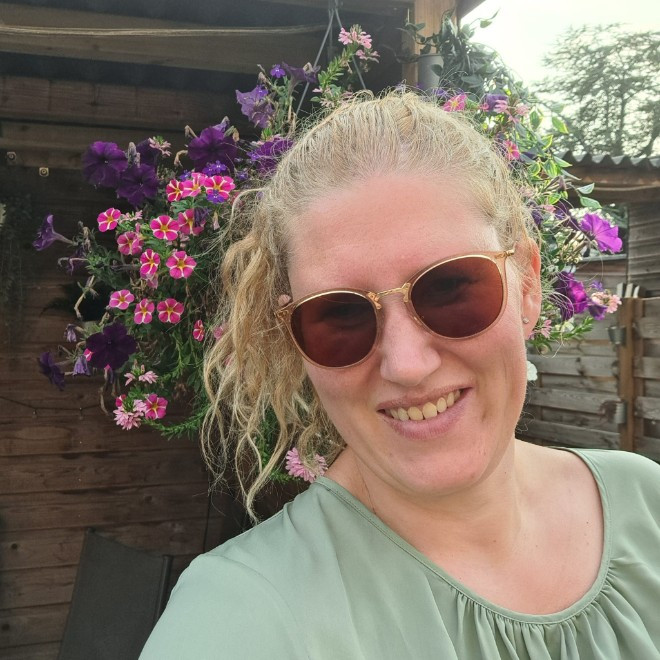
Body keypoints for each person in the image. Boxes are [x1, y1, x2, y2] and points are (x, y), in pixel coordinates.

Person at [140, 92, 660, 659]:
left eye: (450, 288)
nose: (407, 365)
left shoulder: (645, 502)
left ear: (528, 287)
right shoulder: (240, 614)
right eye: (341, 314)